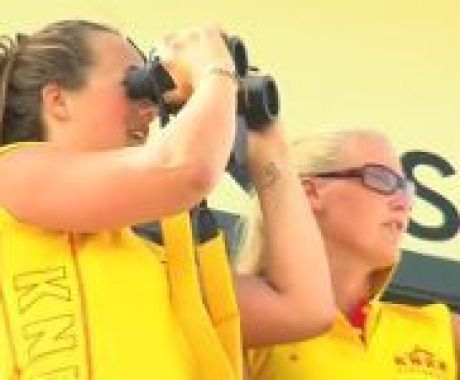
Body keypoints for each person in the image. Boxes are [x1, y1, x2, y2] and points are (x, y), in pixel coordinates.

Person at [0, 20, 334, 379]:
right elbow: (184, 168)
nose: (148, 108)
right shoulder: (12, 176)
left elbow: (304, 308)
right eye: (134, 84)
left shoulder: (156, 261)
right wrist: (213, 70)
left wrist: (271, 151)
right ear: (57, 100)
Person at [240, 129, 458, 379]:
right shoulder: (243, 325)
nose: (404, 202)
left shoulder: (442, 331)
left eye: (406, 188)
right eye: (381, 179)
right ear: (309, 193)